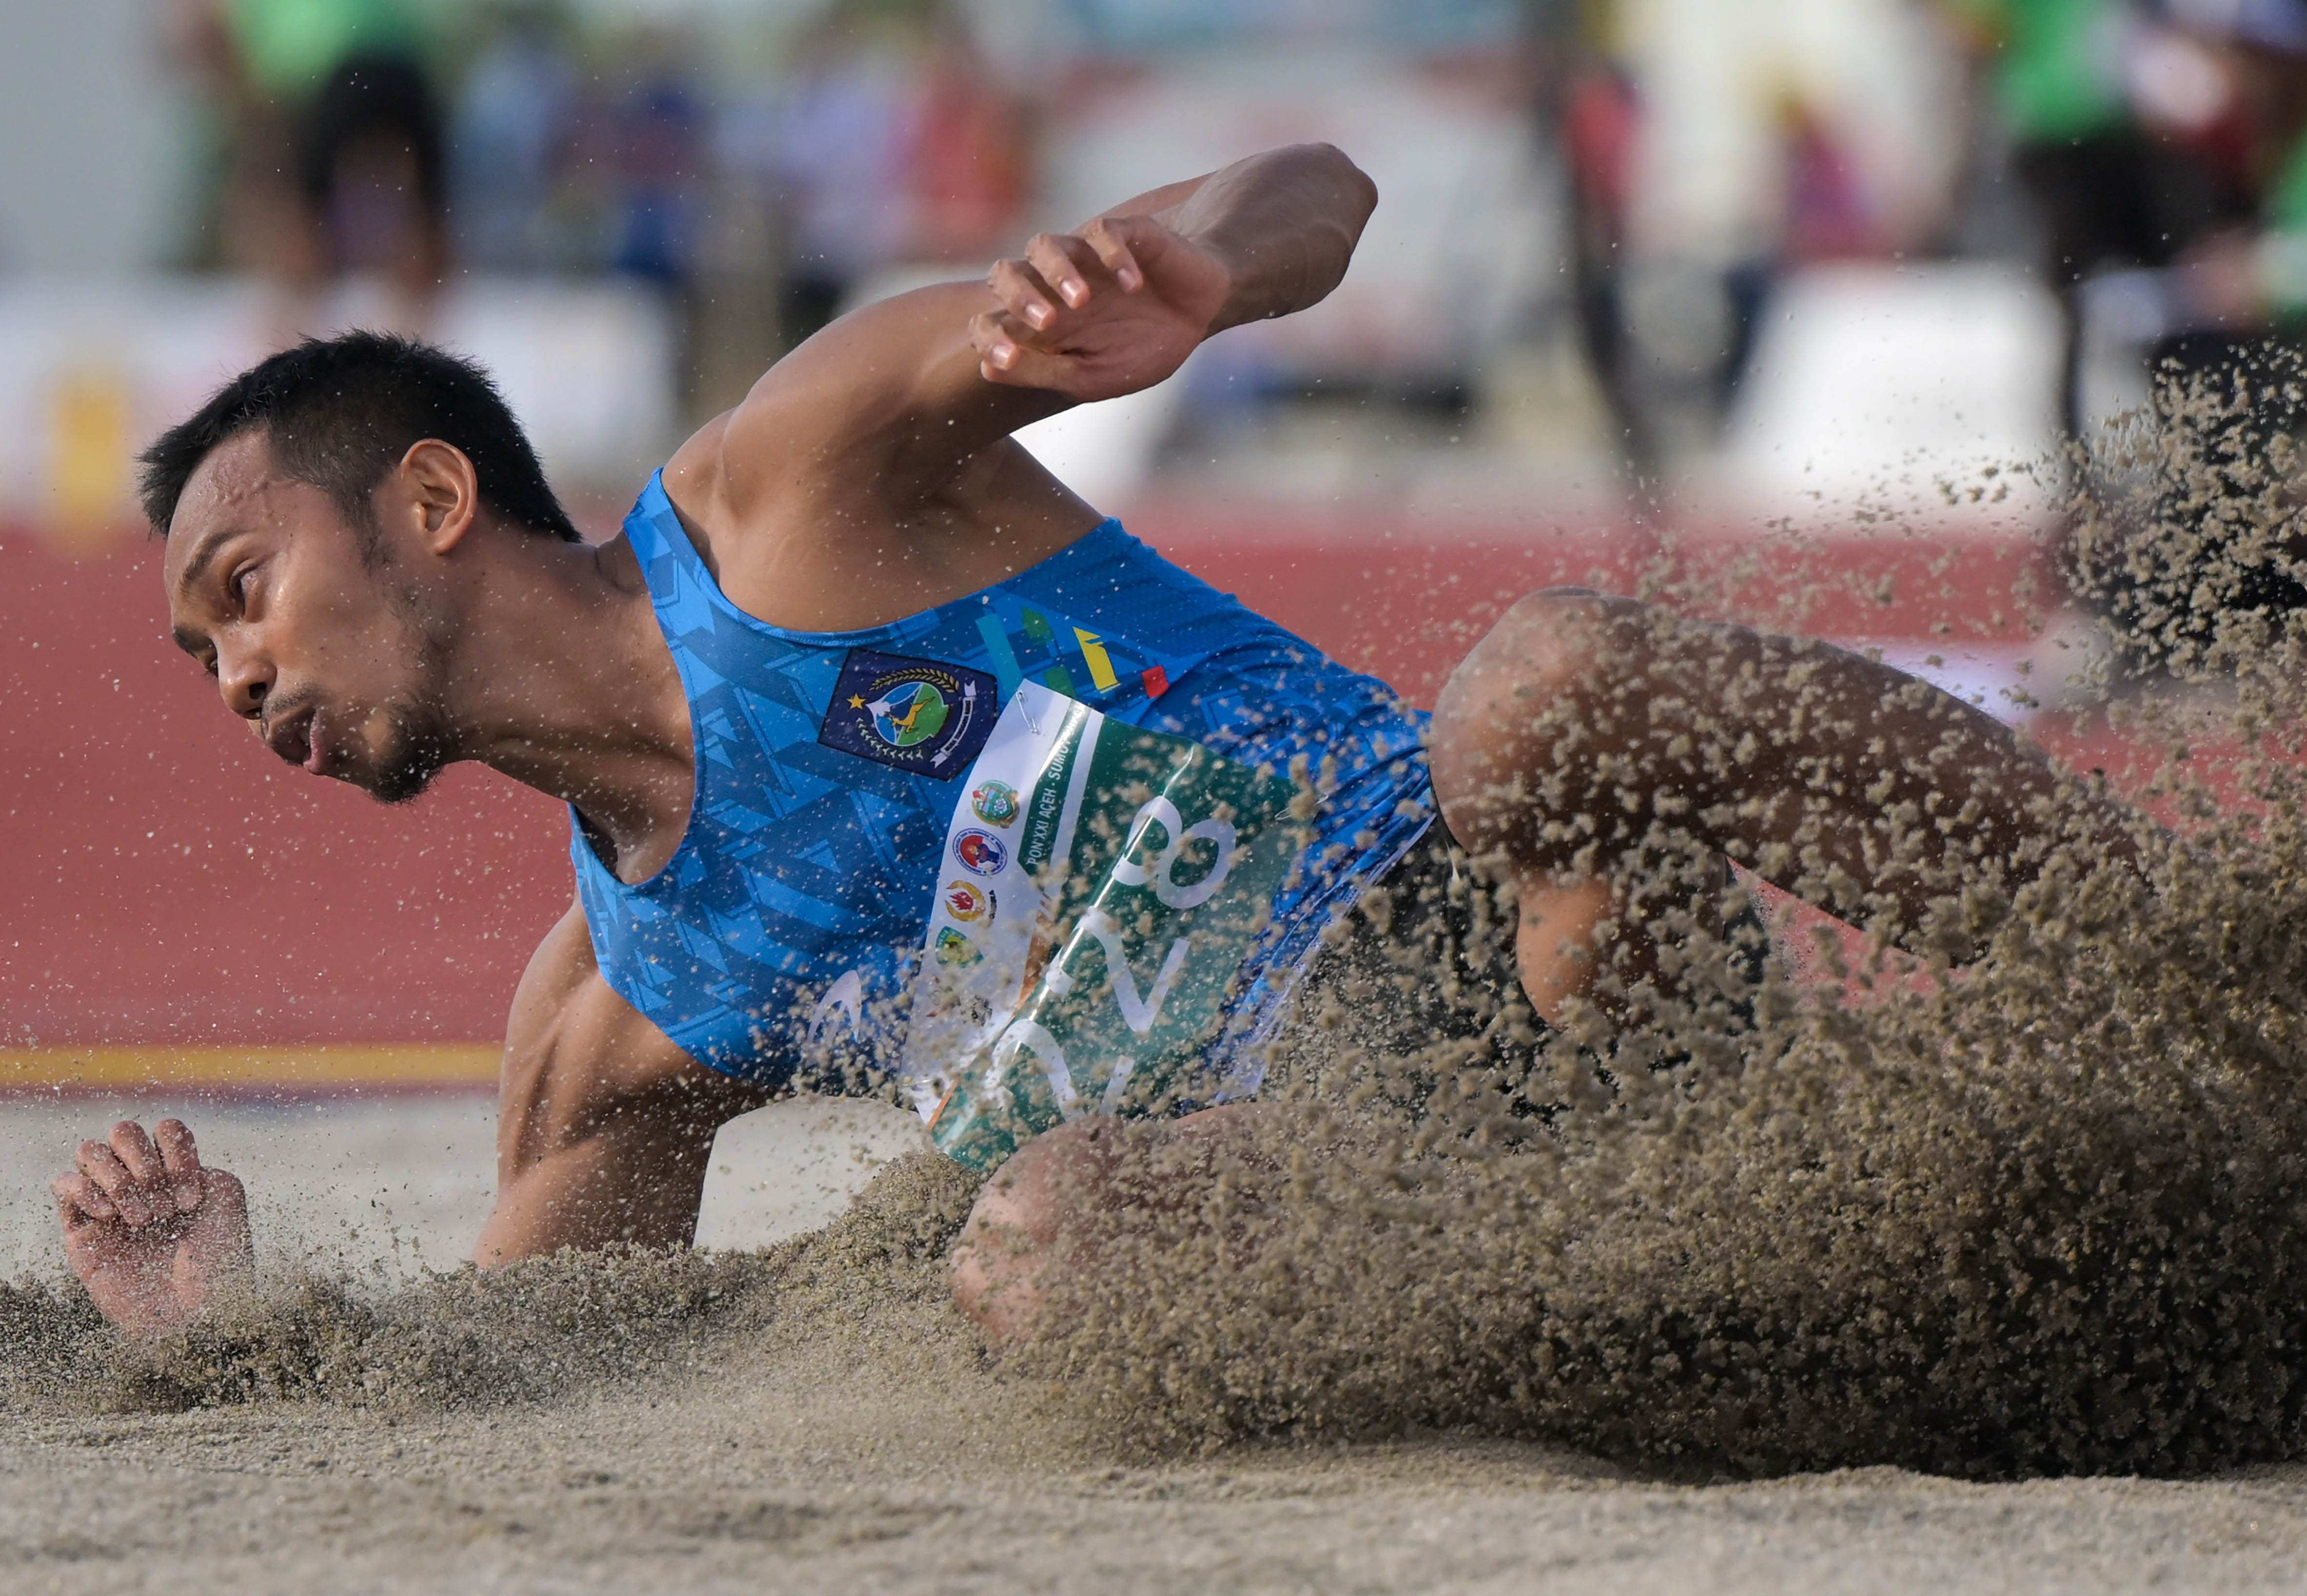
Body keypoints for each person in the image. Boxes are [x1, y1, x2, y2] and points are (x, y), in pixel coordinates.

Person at [54, 145, 2106, 1345]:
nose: (231, 677)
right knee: (1043, 1248)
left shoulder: (794, 488)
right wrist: (224, 1329)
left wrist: (1209, 269)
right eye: (189, 649)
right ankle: (1702, 1341)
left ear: (427, 502)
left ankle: (2183, 967)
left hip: (1541, 951)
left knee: (1539, 686)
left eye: (242, 588)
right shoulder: (616, 1013)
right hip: (1386, 1202)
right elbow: (535, 1362)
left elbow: (1322, 185)